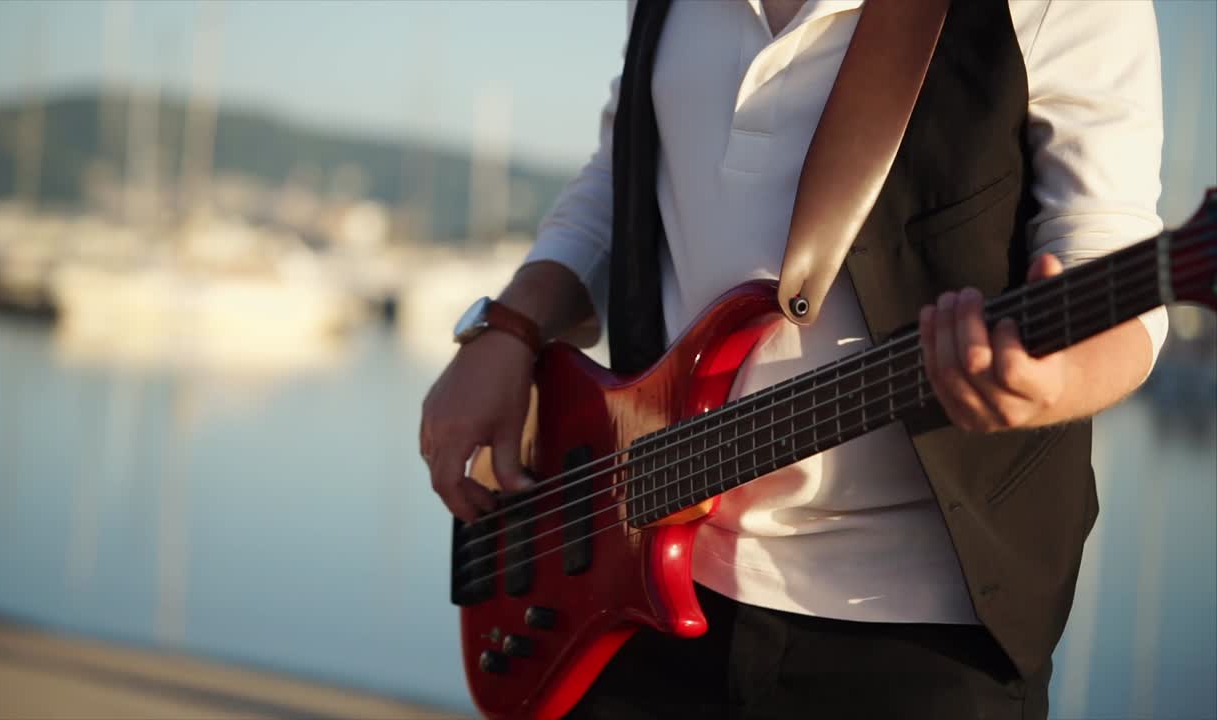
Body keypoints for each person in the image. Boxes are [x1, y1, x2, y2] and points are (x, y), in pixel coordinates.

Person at [419, 1, 1170, 717]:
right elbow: (620, 168)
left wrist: (1059, 380)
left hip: (923, 637)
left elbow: (1112, 252)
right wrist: (509, 329)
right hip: (630, 589)